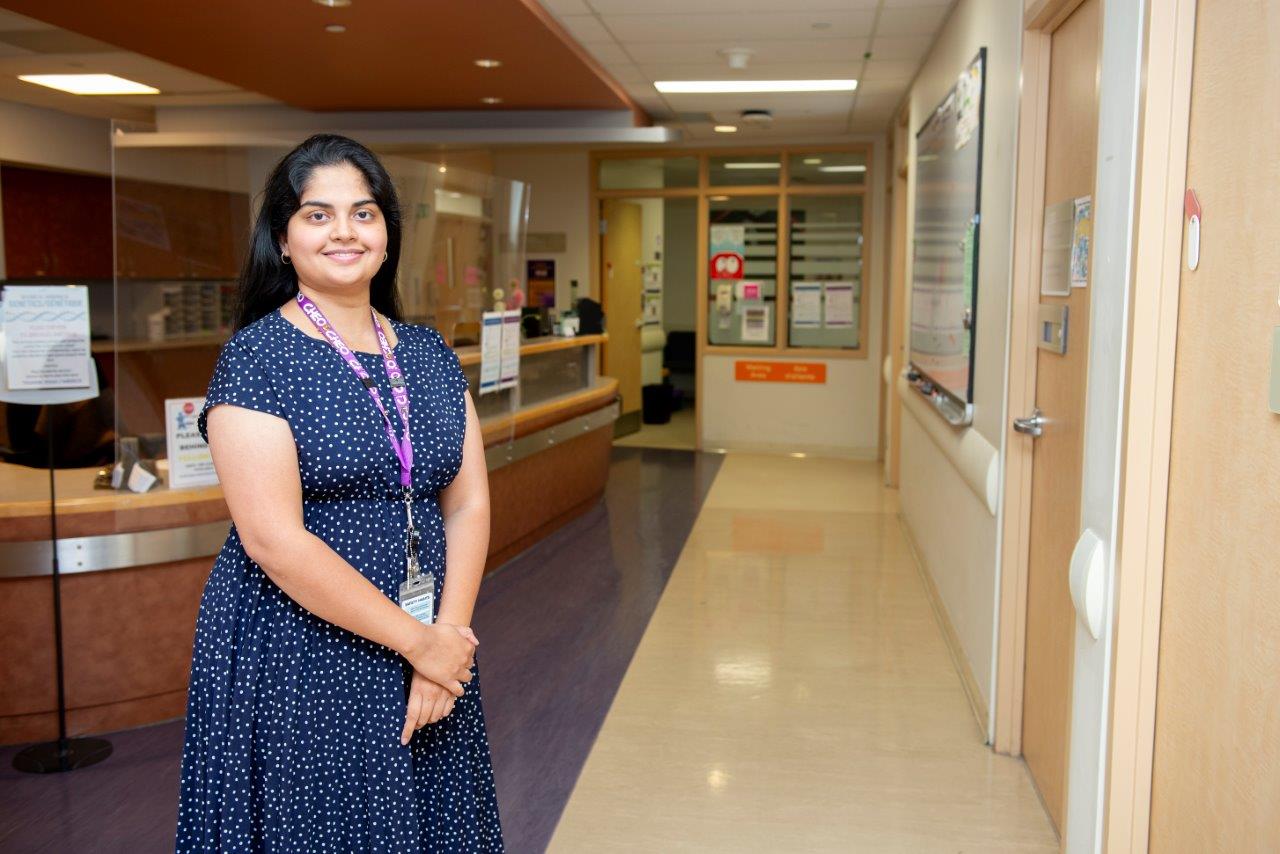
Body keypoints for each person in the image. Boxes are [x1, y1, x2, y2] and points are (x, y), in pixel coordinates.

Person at [176, 134, 503, 851]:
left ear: (388, 233)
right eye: (317, 215)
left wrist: (446, 641)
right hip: (307, 644)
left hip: (431, 639)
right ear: (284, 239)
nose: (345, 232)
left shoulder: (429, 353)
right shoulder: (258, 359)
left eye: (363, 213)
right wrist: (421, 642)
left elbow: (469, 502)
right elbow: (272, 540)